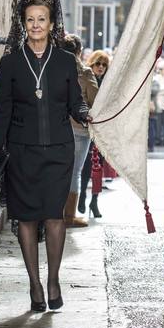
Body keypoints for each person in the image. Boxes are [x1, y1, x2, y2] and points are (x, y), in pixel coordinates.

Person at [0, 0, 89, 312]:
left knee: (55, 217)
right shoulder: (12, 63)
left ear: (51, 23)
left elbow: (76, 104)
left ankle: (54, 279)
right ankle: (33, 283)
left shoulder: (64, 61)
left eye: (41, 19)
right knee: (27, 219)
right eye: (30, 19)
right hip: (22, 152)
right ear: (23, 23)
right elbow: (1, 111)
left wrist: (88, 115)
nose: (35, 25)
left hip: (60, 151)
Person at [61, 34, 99, 227]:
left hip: (57, 128)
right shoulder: (85, 73)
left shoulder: (52, 70)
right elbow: (95, 99)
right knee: (74, 172)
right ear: (79, 51)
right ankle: (69, 216)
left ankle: (55, 214)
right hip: (78, 129)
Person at [79, 50, 116, 216]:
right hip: (87, 128)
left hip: (101, 130)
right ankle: (81, 197)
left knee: (97, 166)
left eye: (104, 65)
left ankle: (94, 201)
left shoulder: (107, 83)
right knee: (86, 165)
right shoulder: (86, 78)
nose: (101, 67)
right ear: (92, 64)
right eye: (98, 64)